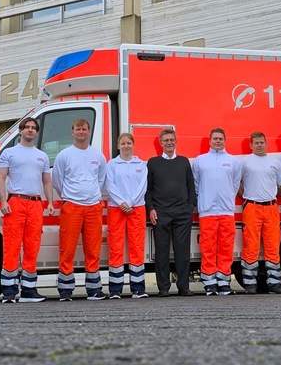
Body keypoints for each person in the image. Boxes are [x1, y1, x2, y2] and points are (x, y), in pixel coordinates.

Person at [0, 117, 54, 304]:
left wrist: (50, 202)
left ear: (36, 132)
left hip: (36, 204)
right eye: (26, 127)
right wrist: (3, 201)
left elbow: (47, 181)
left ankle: (29, 291)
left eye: (33, 128)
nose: (30, 130)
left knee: (32, 246)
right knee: (11, 246)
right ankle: (9, 292)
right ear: (20, 131)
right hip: (16, 202)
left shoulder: (42, 156)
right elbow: (1, 178)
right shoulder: (9, 153)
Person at [52, 118, 107, 301]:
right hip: (72, 206)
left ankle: (94, 290)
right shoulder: (64, 155)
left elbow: (100, 180)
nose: (81, 132)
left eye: (84, 129)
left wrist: (92, 195)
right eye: (78, 129)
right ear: (72, 131)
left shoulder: (98, 156)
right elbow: (57, 181)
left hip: (93, 206)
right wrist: (70, 196)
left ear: (89, 131)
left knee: (93, 249)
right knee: (67, 249)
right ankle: (66, 290)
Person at [145, 129, 197, 297]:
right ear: (160, 143)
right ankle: (163, 288)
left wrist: (190, 207)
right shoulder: (153, 163)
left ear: (176, 142)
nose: (169, 143)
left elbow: (191, 187)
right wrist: (151, 208)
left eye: (171, 140)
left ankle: (183, 287)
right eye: (166, 140)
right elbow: (148, 189)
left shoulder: (184, 162)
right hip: (161, 213)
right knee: (161, 252)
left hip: (182, 213)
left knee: (183, 252)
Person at [194, 128, 242, 296]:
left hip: (226, 210)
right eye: (215, 138)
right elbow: (196, 184)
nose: (218, 141)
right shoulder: (200, 161)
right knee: (207, 247)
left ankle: (223, 282)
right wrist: (205, 200)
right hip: (207, 211)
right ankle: (209, 283)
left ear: (225, 140)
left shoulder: (233, 161)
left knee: (226, 246)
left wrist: (227, 198)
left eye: (220, 138)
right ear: (210, 140)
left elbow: (235, 185)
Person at [239, 132, 281, 294]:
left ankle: (274, 283)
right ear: (251, 145)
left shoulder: (275, 163)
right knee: (251, 245)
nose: (259, 145)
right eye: (256, 143)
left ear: (266, 144)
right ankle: (250, 284)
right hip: (252, 207)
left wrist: (270, 193)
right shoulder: (245, 162)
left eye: (262, 142)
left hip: (271, 207)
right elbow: (237, 184)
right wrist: (247, 195)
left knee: (273, 245)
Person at [105, 133, 149, 299]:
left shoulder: (140, 164)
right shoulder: (112, 164)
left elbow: (142, 186)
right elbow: (110, 185)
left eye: (129, 143)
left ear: (133, 145)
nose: (126, 146)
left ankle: (138, 288)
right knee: (116, 247)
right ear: (118, 146)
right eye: (123, 143)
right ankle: (115, 289)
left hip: (136, 208)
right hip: (116, 208)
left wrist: (129, 203)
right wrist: (122, 202)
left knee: (137, 247)